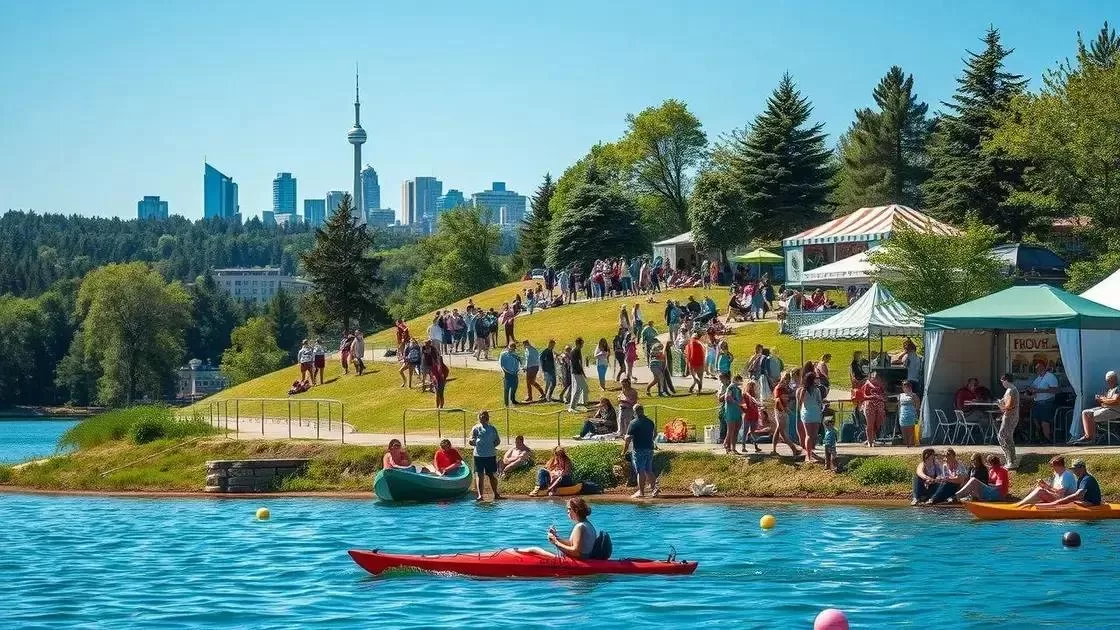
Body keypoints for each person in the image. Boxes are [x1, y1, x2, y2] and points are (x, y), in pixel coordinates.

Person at [519, 498, 598, 560]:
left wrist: (555, 542)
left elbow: (576, 552)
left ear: (576, 510)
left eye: (569, 509)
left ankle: (515, 553)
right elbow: (573, 544)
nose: (567, 511)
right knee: (538, 549)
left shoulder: (580, 526)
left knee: (534, 549)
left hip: (576, 560)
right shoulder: (588, 525)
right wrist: (556, 538)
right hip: (583, 557)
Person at [1075, 370, 1120, 444]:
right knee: (1085, 413)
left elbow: (1115, 401)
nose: (1109, 382)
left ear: (1115, 379)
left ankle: (1090, 438)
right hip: (1107, 408)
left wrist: (1102, 399)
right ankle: (1087, 436)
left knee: (1090, 415)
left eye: (1110, 380)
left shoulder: (1118, 388)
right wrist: (1101, 400)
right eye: (1108, 380)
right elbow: (1106, 401)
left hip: (1115, 411)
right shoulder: (1109, 390)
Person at [623, 404, 657, 498]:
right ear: (643, 410)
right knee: (648, 470)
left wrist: (624, 451)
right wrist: (650, 440)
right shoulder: (650, 422)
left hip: (639, 450)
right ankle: (654, 489)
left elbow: (628, 439)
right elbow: (655, 434)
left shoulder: (633, 423)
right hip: (649, 449)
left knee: (640, 471)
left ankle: (641, 492)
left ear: (634, 412)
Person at [469, 411, 502, 501]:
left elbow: (497, 441)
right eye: (481, 416)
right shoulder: (476, 428)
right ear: (479, 418)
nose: (483, 418)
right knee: (479, 475)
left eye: (484, 416)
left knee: (491, 475)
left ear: (487, 418)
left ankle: (495, 493)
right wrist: (472, 442)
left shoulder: (492, 428)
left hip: (490, 455)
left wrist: (491, 446)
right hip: (478, 455)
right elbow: (471, 440)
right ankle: (480, 495)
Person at [769, 371, 801, 456]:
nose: (787, 381)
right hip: (780, 411)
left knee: (779, 431)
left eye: (788, 379)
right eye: (786, 379)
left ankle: (774, 450)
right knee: (782, 432)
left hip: (782, 410)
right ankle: (793, 449)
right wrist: (784, 409)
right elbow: (777, 400)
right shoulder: (779, 388)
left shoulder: (784, 388)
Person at [1026, 361, 1059, 442]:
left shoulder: (1050, 376)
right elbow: (1033, 386)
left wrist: (1039, 390)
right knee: (1035, 419)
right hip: (1037, 402)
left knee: (1045, 421)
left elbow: (1055, 390)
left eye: (1039, 368)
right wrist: (1029, 390)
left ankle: (1048, 439)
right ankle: (1041, 437)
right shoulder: (1039, 377)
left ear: (1044, 368)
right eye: (1036, 369)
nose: (1038, 370)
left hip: (1046, 402)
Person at [797, 370, 824, 464]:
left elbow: (800, 402)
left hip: (806, 413)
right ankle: (810, 454)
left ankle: (809, 456)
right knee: (813, 435)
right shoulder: (817, 390)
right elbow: (819, 402)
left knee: (808, 435)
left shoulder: (803, 390)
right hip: (815, 413)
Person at [996, 373, 1020, 469]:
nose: (1002, 384)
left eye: (1002, 382)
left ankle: (1011, 460)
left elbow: (1009, 406)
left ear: (1006, 380)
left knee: (1003, 437)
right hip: (1008, 416)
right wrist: (1001, 403)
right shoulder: (1009, 390)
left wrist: (1001, 405)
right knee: (1005, 437)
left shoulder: (1012, 390)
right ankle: (1010, 460)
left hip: (1010, 417)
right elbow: (1005, 403)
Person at [860, 372, 887, 447]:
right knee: (870, 423)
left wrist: (882, 397)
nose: (875, 378)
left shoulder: (880, 385)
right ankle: (870, 441)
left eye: (876, 377)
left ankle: (872, 438)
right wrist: (872, 397)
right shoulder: (867, 384)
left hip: (879, 404)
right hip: (869, 404)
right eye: (873, 377)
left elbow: (884, 395)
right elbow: (863, 395)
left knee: (878, 422)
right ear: (870, 378)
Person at [718, 372, 743, 454]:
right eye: (740, 381)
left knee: (736, 430)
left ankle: (733, 448)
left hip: (737, 411)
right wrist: (736, 402)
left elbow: (741, 400)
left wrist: (742, 406)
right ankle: (726, 444)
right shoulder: (731, 387)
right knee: (731, 430)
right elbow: (727, 397)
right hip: (730, 411)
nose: (741, 383)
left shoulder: (739, 389)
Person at [898, 380, 921, 447]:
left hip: (912, 414)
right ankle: (906, 443)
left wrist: (916, 414)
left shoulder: (914, 395)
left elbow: (918, 405)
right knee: (903, 428)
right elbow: (899, 405)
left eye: (907, 386)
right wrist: (899, 414)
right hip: (903, 414)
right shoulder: (901, 395)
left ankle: (911, 443)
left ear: (910, 387)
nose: (906, 388)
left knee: (911, 430)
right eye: (904, 387)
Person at [568, 337, 588, 412]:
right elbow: (577, 364)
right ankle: (573, 407)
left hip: (576, 372)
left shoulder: (577, 350)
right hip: (576, 372)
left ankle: (581, 404)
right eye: (581, 344)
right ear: (578, 344)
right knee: (581, 388)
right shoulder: (575, 351)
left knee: (581, 388)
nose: (582, 345)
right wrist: (582, 373)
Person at [499, 342, 522, 407]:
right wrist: (507, 372)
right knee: (506, 389)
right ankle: (506, 404)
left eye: (513, 349)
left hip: (515, 374)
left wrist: (518, 370)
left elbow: (520, 363)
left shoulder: (516, 355)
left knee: (514, 387)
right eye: (511, 348)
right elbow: (502, 365)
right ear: (508, 347)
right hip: (507, 374)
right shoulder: (504, 355)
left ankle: (513, 400)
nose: (512, 350)